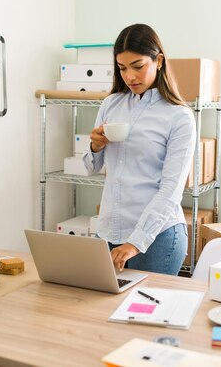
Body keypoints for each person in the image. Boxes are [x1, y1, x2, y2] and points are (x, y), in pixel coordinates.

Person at [82, 23, 196, 276]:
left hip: (156, 238)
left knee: (146, 312)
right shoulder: (111, 104)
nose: (129, 76)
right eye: (122, 68)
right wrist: (95, 146)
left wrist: (135, 242)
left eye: (138, 66)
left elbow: (171, 190)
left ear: (158, 61)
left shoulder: (179, 117)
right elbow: (91, 167)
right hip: (109, 232)